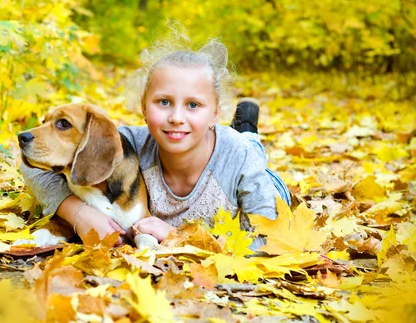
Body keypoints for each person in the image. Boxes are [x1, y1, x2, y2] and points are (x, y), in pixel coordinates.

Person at [20, 35, 291, 248]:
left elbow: (269, 242)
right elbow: (32, 167)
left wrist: (179, 237)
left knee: (250, 146)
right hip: (212, 140)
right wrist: (76, 211)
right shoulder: (130, 144)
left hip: (255, 172)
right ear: (144, 107)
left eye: (193, 105)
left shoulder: (240, 159)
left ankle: (247, 129)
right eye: (164, 102)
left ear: (214, 114)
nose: (175, 117)